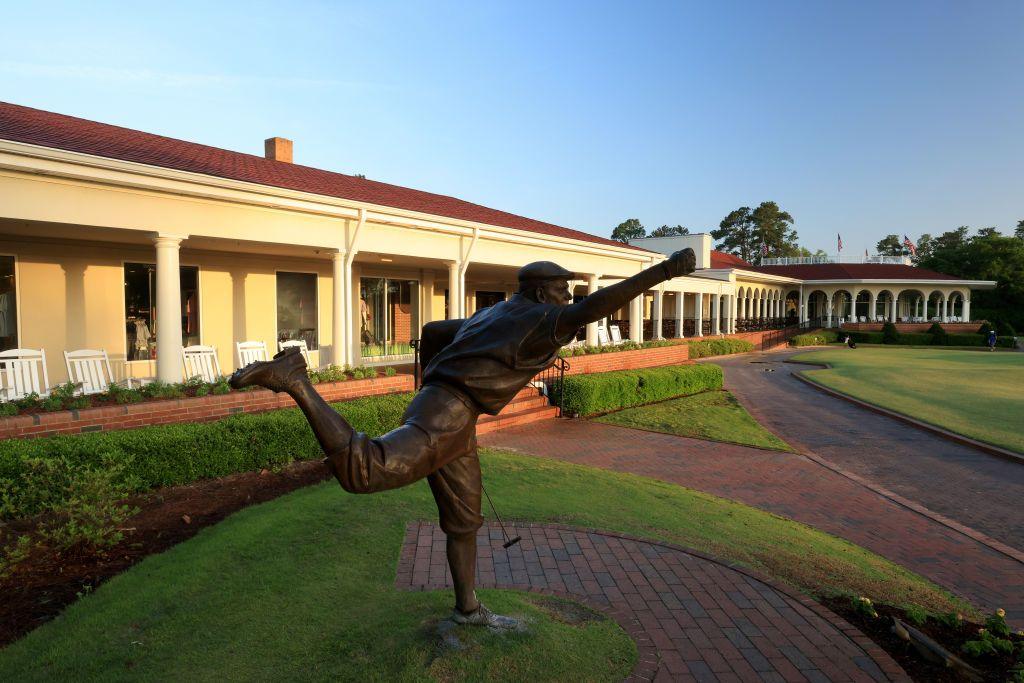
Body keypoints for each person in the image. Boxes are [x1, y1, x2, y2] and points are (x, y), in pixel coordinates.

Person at [229, 249, 696, 627]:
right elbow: (594, 307)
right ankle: (295, 379)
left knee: (464, 519)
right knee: (365, 471)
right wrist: (661, 271)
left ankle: (468, 609)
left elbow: (433, 331)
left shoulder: (494, 313)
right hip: (448, 414)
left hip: (450, 412)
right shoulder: (539, 317)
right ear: (539, 292)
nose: (569, 296)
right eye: (562, 289)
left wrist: (430, 385)